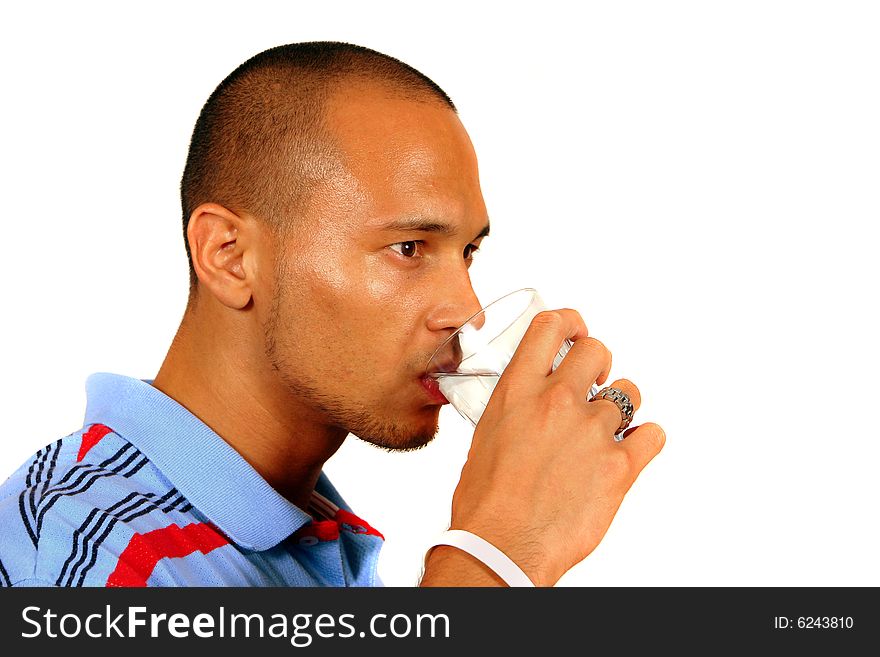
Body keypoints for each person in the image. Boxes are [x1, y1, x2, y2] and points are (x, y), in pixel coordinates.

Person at [0, 41, 664, 587]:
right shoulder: (79, 552)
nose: (464, 307)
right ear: (229, 256)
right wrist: (495, 552)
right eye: (409, 247)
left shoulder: (318, 541)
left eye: (467, 251)